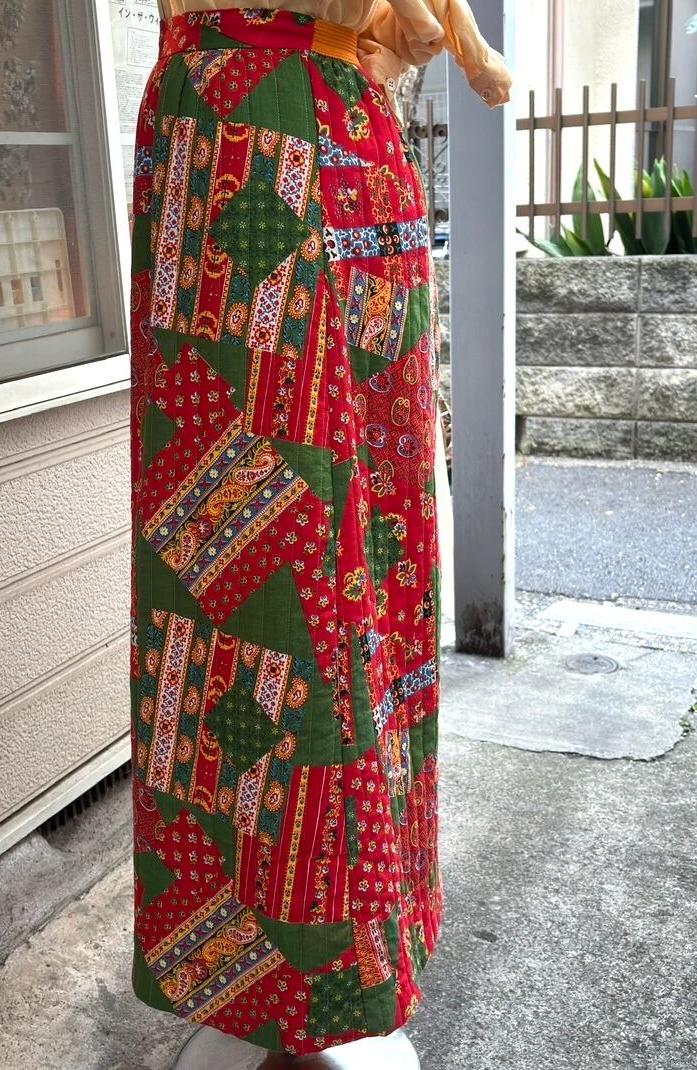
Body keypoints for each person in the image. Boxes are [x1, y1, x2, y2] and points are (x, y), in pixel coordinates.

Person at [127, 0, 511, 1058]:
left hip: (309, 128)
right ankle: (254, 973)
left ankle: (341, 976)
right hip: (236, 138)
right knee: (232, 582)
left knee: (355, 564)